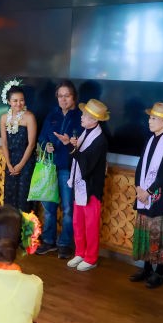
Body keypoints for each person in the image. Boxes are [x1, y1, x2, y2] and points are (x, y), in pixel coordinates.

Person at [56, 99, 109, 272]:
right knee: (78, 222)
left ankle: (91, 257)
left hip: (91, 188)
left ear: (95, 120)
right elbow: (77, 157)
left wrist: (71, 148)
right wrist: (70, 145)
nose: (82, 117)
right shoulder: (84, 133)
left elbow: (87, 164)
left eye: (85, 115)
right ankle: (80, 252)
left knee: (91, 225)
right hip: (79, 186)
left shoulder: (100, 140)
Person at [129, 102, 163, 288]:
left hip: (160, 196)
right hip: (143, 193)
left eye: (154, 118)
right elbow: (141, 165)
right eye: (150, 117)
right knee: (146, 231)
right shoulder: (150, 139)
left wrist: (148, 192)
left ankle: (160, 271)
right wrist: (138, 188)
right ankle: (147, 267)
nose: (150, 121)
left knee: (159, 232)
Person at [36, 80, 83, 259]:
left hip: (68, 169)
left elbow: (84, 144)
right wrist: (46, 145)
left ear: (74, 97)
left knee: (68, 208)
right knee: (49, 207)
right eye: (60, 96)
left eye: (67, 96)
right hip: (50, 168)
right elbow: (42, 138)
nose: (63, 99)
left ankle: (64, 243)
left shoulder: (80, 117)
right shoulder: (52, 115)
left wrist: (71, 142)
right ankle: (48, 241)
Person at [0, 84, 37, 213]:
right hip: (11, 161)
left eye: (21, 100)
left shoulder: (29, 117)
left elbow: (31, 144)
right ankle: (10, 224)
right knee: (10, 195)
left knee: (23, 196)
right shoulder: (4, 118)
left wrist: (21, 165)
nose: (19, 103)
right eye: (15, 100)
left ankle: (25, 225)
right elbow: (4, 143)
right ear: (9, 101)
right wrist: (9, 164)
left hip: (25, 161)